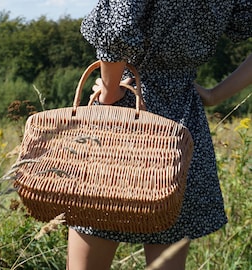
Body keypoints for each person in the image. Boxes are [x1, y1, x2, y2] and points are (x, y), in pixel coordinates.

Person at [66, 1, 252, 269]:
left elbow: (116, 28)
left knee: (94, 224)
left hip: (122, 113)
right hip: (182, 120)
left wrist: (109, 94)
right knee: (166, 234)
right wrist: (214, 95)